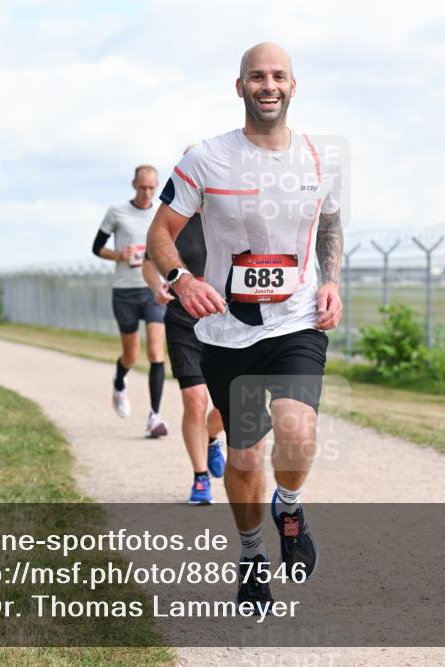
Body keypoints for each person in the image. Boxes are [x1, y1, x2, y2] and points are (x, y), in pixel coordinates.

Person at [147, 42, 343, 608]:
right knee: (245, 457)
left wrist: (330, 281)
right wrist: (182, 279)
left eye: (278, 75)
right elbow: (161, 233)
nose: (268, 85)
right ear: (240, 87)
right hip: (227, 332)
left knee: (299, 432)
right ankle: (253, 550)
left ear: (293, 85)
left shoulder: (317, 159)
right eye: (257, 76)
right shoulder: (205, 159)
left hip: (297, 322)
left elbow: (329, 227)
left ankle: (289, 506)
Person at [143, 147, 227, 504]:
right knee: (195, 399)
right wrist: (157, 286)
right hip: (182, 317)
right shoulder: (172, 218)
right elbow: (150, 260)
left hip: (227, 319)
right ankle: (199, 477)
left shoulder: (229, 214)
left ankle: (210, 437)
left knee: (229, 404)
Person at [93, 165, 169, 438]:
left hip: (152, 290)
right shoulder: (117, 212)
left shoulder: (162, 213)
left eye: (152, 187)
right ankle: (119, 381)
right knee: (131, 355)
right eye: (142, 187)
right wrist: (118, 255)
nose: (147, 193)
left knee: (156, 353)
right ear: (133, 185)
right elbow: (96, 247)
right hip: (124, 291)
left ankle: (155, 417)